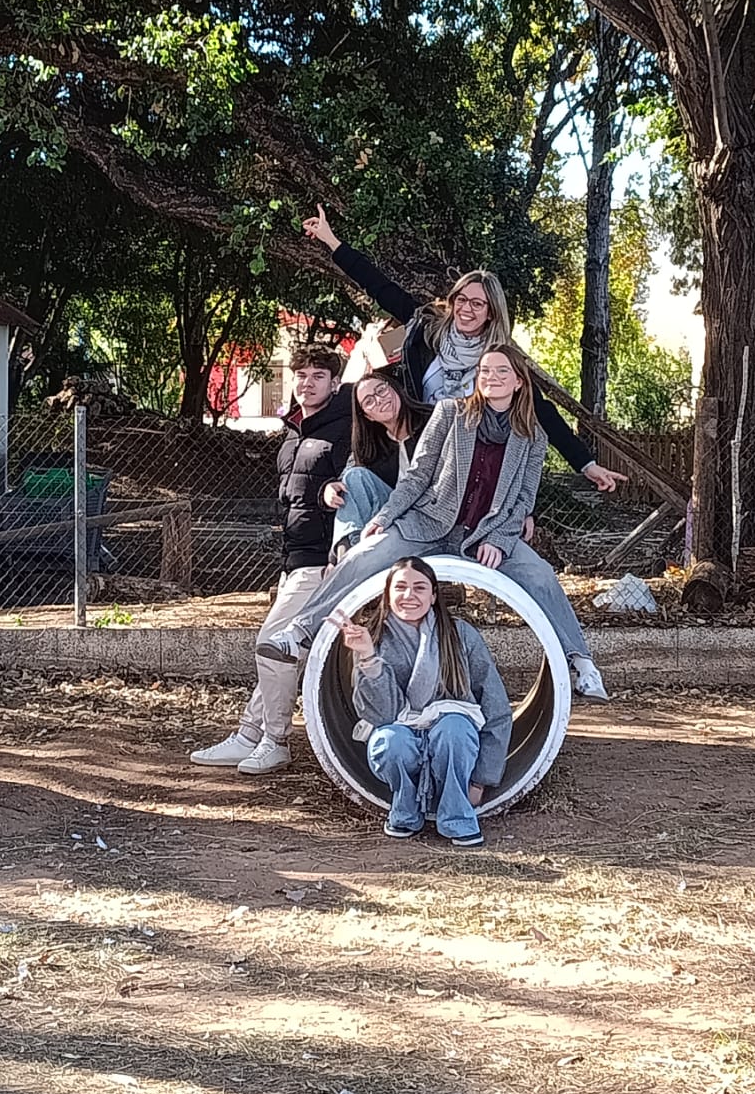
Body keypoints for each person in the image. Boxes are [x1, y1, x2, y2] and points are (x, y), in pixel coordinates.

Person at [258, 346, 610, 699]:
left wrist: (501, 539)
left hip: (485, 535)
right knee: (362, 557)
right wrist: (385, 516)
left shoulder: (532, 436)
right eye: (485, 370)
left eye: (502, 371)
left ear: (518, 381)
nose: (492, 377)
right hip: (427, 525)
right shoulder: (450, 413)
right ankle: (298, 633)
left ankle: (580, 663)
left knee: (541, 576)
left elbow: (523, 499)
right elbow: (418, 475)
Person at [304, 205, 626, 494]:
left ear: (491, 312)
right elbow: (379, 286)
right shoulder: (426, 330)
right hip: (416, 448)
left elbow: (542, 412)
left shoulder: (499, 360)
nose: (466, 309)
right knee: (361, 487)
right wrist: (332, 241)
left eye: (477, 303)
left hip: (466, 461)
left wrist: (586, 464)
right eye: (462, 299)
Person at [192, 345, 354, 776]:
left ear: (335, 383)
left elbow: (354, 486)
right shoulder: (294, 432)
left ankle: (275, 740)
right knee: (279, 651)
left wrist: (337, 547)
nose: (307, 384)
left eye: (317, 376)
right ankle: (250, 734)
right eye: (301, 376)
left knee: (273, 644)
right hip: (293, 558)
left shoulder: (346, 428)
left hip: (322, 561)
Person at [336, 557, 514, 848]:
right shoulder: (372, 638)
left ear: (433, 596)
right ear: (387, 595)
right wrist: (368, 657)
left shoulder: (459, 634)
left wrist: (481, 779)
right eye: (400, 587)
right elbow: (384, 716)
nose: (409, 595)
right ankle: (405, 807)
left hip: (452, 739)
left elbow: (495, 706)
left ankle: (457, 815)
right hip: (403, 733)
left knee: (455, 729)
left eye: (419, 588)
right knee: (389, 740)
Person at [324, 368, 430, 559]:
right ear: (368, 416)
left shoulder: (432, 420)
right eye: (369, 401)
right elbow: (349, 476)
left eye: (381, 390)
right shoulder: (371, 443)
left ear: (395, 388)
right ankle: (347, 555)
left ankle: (349, 562)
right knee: (354, 477)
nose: (379, 400)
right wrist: (330, 488)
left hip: (430, 510)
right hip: (390, 512)